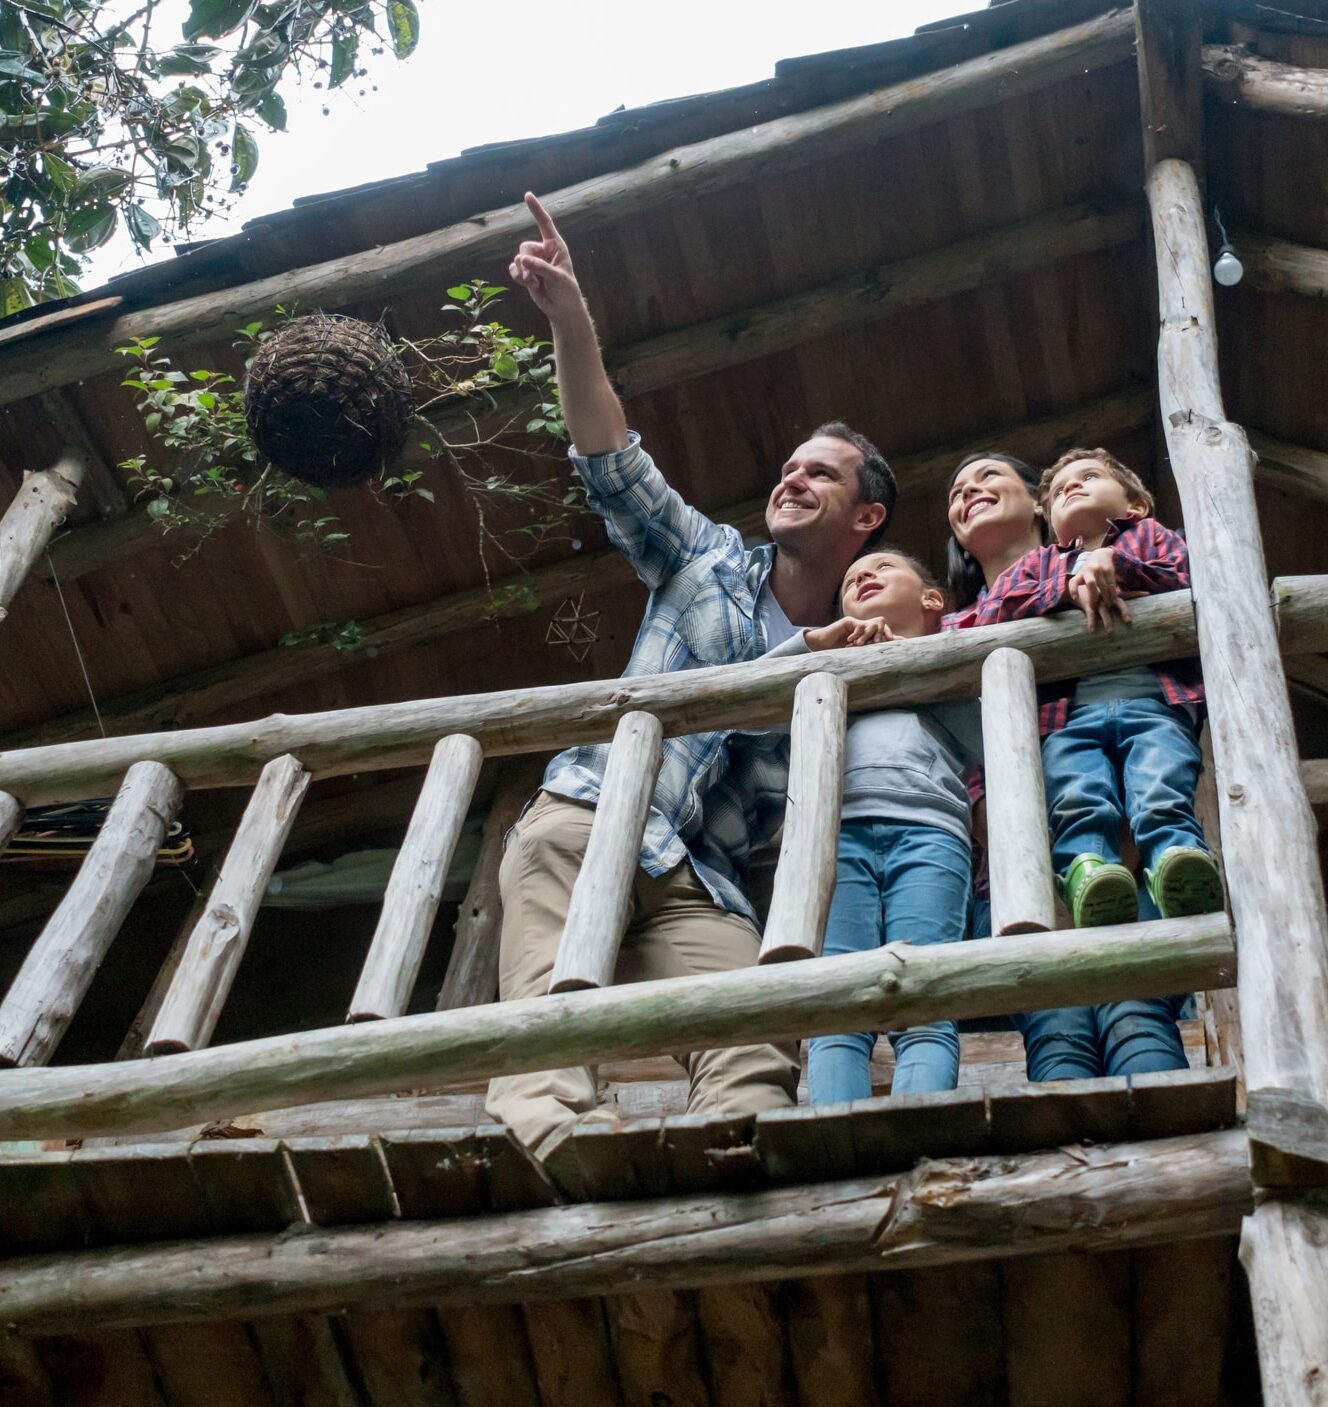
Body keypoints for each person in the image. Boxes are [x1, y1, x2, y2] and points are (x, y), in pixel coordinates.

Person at [484, 193, 898, 1154]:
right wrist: (572, 322)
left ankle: (729, 1195)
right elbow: (609, 454)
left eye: (820, 476)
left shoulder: (857, 657)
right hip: (590, 821)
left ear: (865, 518)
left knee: (755, 1039)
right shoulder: (708, 559)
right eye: (788, 468)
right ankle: (569, 1179)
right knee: (549, 1049)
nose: (791, 480)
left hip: (694, 879)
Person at [973, 446, 1221, 1077]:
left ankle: (1173, 860)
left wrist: (1117, 562)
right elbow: (997, 614)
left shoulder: (1154, 536)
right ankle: (1089, 870)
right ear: (1046, 519)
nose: (1072, 491)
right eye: (1060, 491)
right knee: (1077, 795)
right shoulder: (1036, 565)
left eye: (1090, 480)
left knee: (1160, 785)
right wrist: (1070, 578)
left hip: (1153, 708)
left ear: (1134, 503)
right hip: (1069, 723)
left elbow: (1199, 579)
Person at [767, 550, 982, 1102]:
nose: (862, 574)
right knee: (840, 999)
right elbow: (759, 693)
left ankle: (917, 1125)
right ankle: (837, 1132)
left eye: (884, 568)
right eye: (851, 578)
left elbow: (982, 735)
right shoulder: (825, 665)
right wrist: (818, 645)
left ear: (931, 600)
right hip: (831, 837)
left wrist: (907, 661)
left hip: (930, 827)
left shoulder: (949, 654)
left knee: (925, 994)